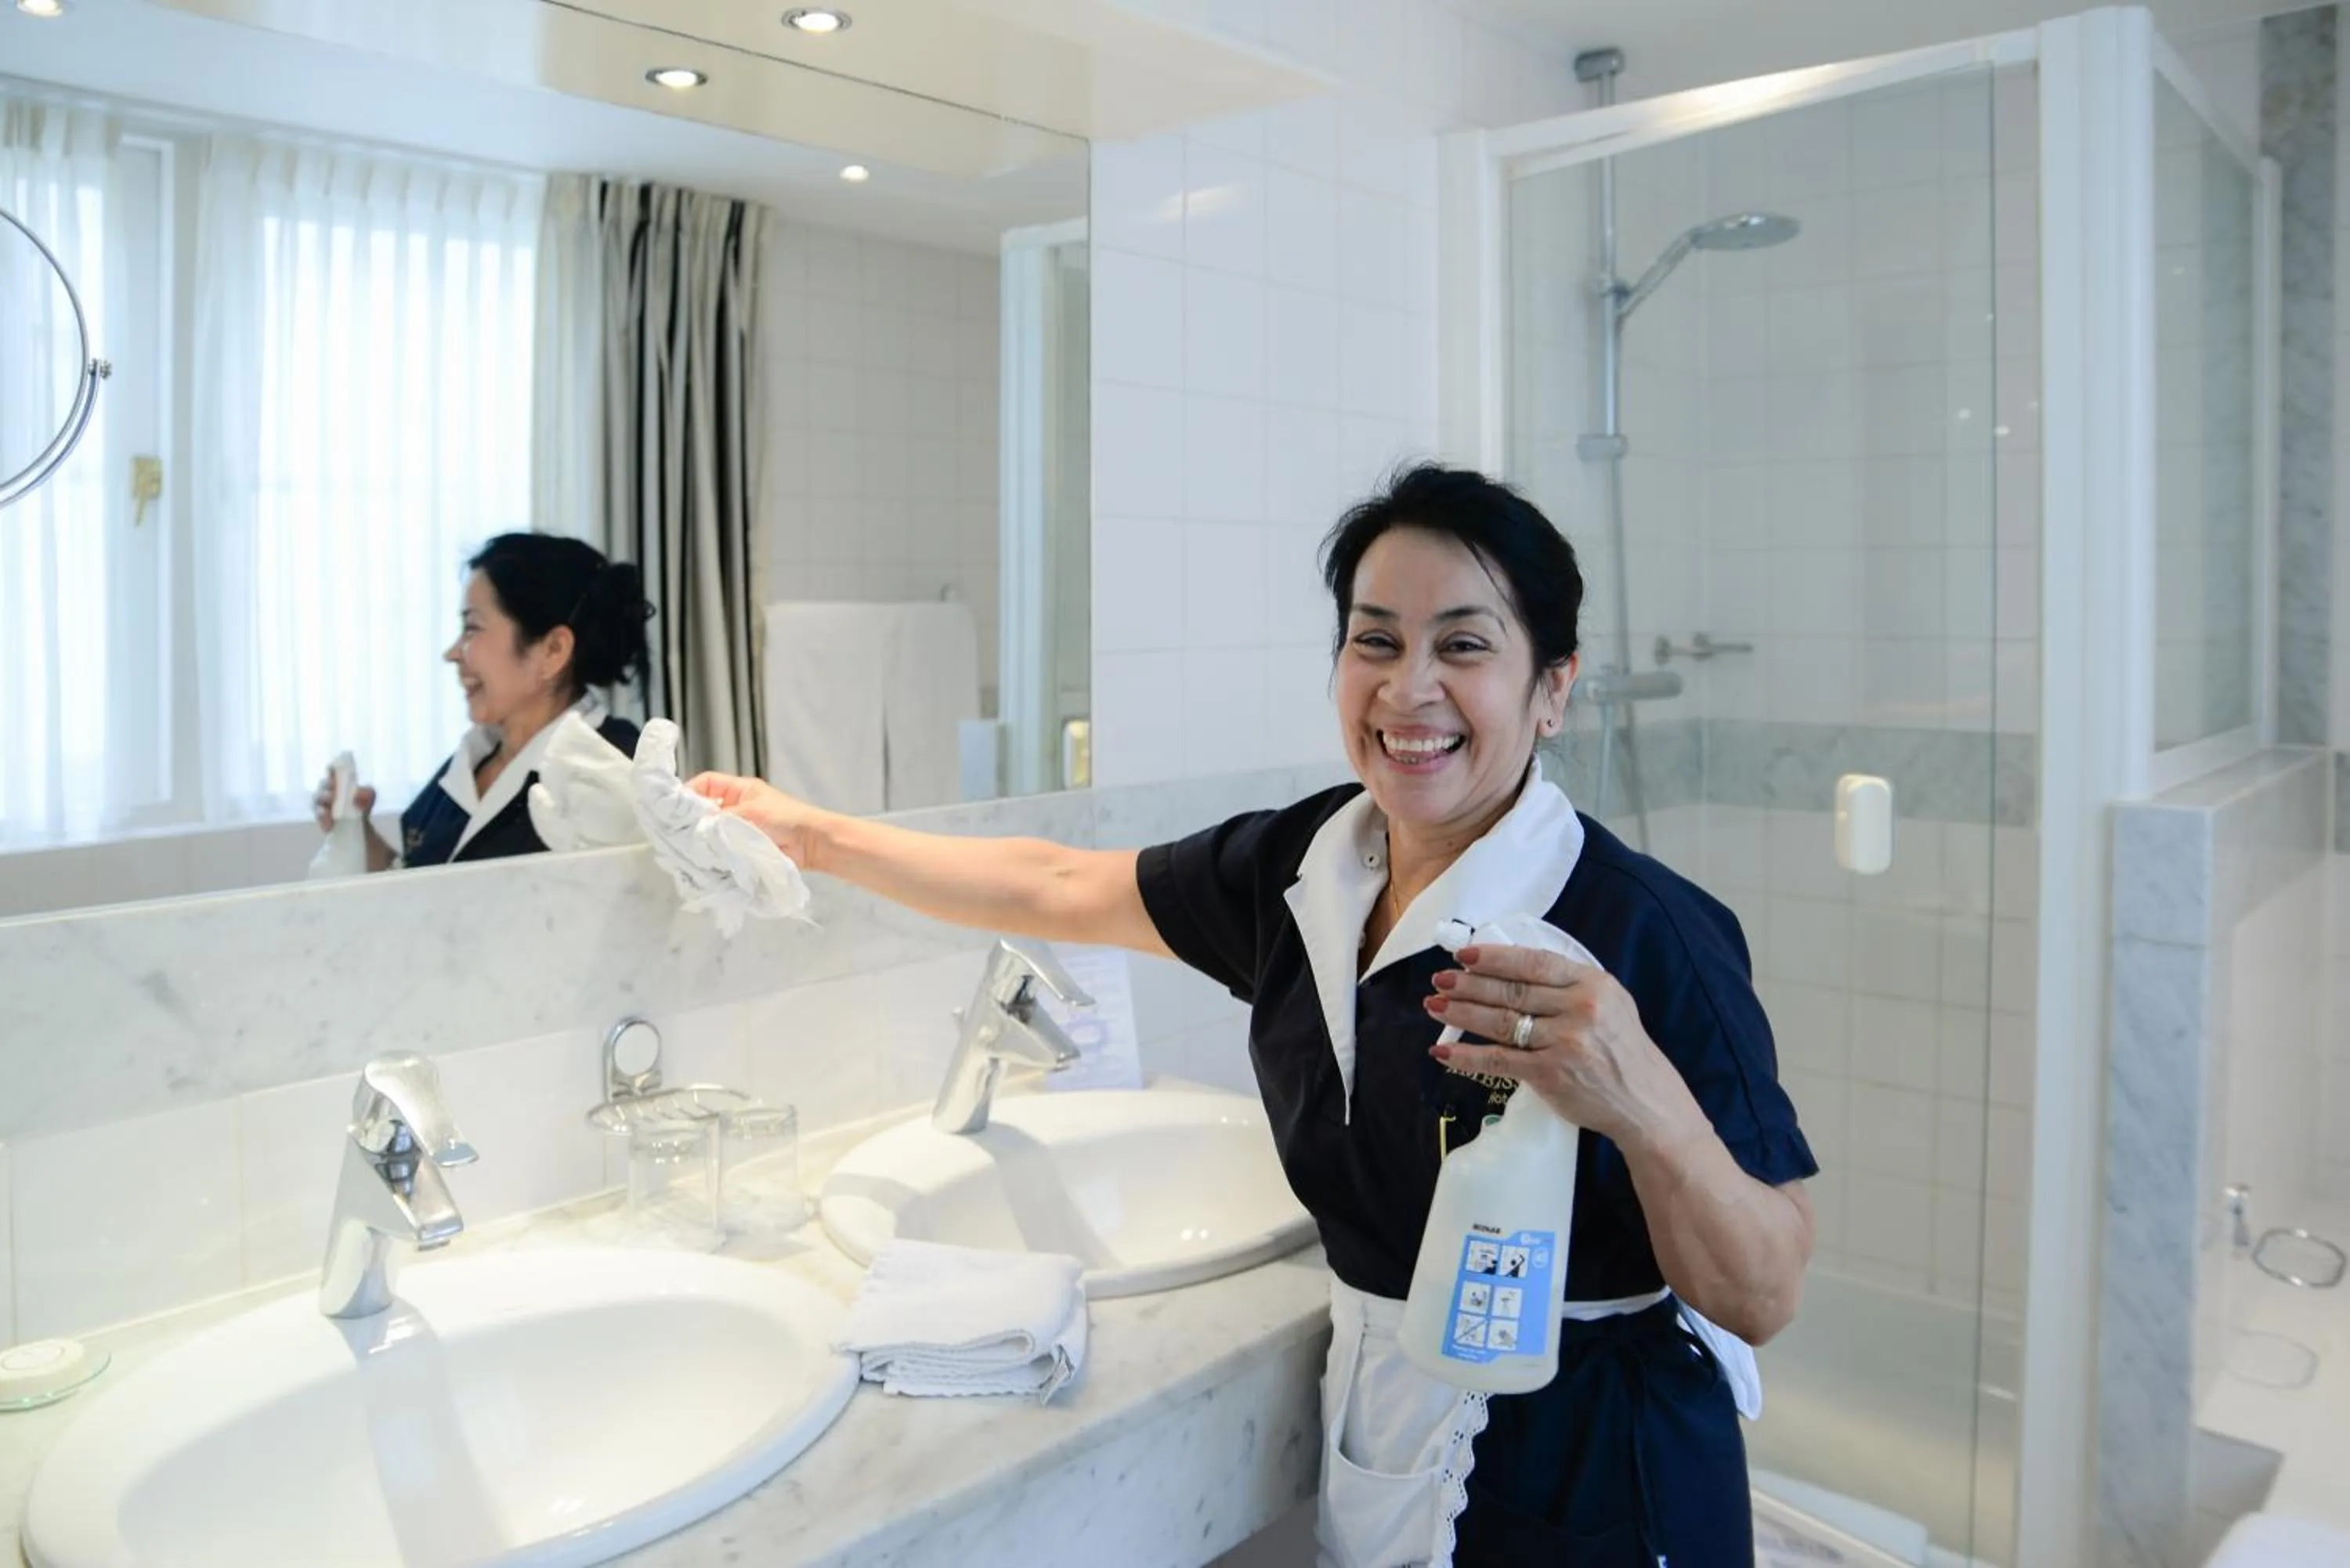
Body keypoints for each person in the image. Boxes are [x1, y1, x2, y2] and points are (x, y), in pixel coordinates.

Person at [692, 464, 1817, 1566]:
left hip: (1599, 1474)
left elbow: (1762, 1288)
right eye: (1375, 639)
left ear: (1554, 689)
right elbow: (1055, 885)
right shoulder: (1308, 866)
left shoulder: (1644, 932)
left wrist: (1638, 1094)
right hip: (1387, 1427)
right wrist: (813, 835)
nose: (1409, 687)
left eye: (1463, 645)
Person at [312, 533, 652, 871]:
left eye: (472, 628)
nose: (452, 653)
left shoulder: (611, 771)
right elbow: (416, 889)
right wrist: (357, 832)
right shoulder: (470, 762)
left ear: (553, 650)